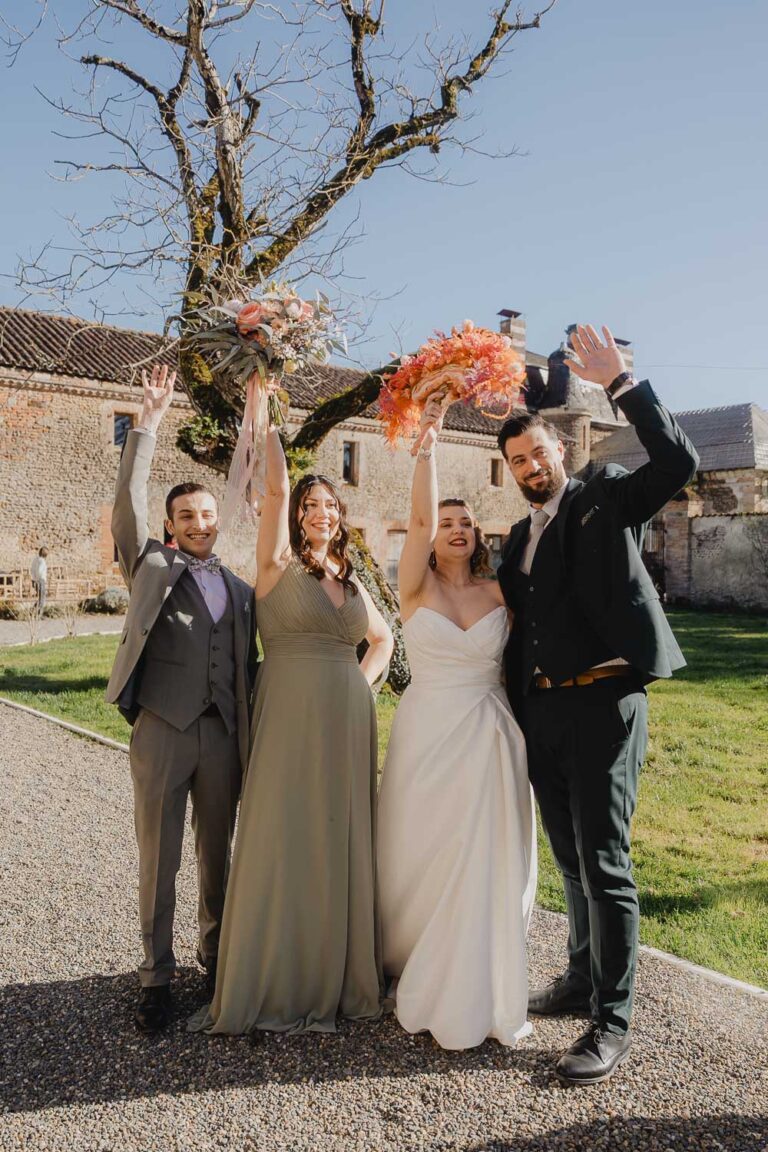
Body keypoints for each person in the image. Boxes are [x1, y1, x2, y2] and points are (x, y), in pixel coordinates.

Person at [497, 324, 699, 1085]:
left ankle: (611, 1019)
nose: (530, 466)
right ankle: (580, 975)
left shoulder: (608, 497)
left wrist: (623, 385)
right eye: (517, 461)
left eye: (539, 454)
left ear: (561, 450)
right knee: (569, 859)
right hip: (542, 713)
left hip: (606, 706)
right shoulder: (516, 538)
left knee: (607, 863)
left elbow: (679, 461)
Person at [189, 409, 393, 1036]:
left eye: (330, 504)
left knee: (339, 835)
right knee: (284, 827)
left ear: (342, 515)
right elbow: (275, 486)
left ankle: (337, 969)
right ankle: (273, 971)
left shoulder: (353, 577)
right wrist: (267, 412)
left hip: (348, 721)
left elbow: (383, 639)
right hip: (288, 709)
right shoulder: (275, 563)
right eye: (311, 504)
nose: (320, 512)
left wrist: (358, 687)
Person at [377, 397, 537, 1050]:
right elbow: (416, 518)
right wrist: (427, 450)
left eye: (466, 522)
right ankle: (411, 957)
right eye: (446, 522)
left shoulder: (502, 593)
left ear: (479, 535)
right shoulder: (416, 589)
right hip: (429, 738)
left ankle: (484, 972)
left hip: (492, 738)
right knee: (425, 854)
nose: (455, 528)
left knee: (487, 857)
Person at [106, 364, 257, 1033]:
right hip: (164, 727)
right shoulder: (152, 565)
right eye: (187, 516)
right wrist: (149, 423)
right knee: (159, 857)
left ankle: (217, 959)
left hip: (223, 733)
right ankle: (155, 976)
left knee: (216, 853)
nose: (199, 523)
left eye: (207, 514)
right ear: (170, 525)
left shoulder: (241, 585)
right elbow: (126, 505)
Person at [29, 546, 48, 615]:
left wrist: (34, 578)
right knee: (42, 597)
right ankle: (39, 613)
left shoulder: (35, 559)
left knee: (40, 597)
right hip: (40, 580)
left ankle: (33, 610)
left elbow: (32, 570)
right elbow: (40, 571)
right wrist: (39, 578)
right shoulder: (42, 561)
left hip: (34, 580)